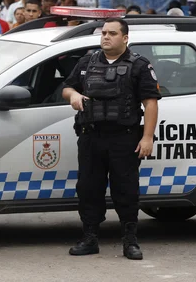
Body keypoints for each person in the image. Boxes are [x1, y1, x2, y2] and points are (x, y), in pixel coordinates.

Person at [62, 18, 160, 260]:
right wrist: (73, 95)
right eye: (104, 32)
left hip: (123, 139)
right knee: (88, 189)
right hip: (90, 137)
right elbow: (66, 87)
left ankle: (130, 241)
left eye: (112, 33)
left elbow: (150, 103)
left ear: (125, 38)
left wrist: (147, 138)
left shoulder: (139, 65)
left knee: (125, 191)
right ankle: (90, 238)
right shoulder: (87, 61)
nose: (106, 37)